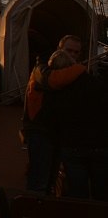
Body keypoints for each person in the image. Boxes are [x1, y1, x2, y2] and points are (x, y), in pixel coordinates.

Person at [45, 48, 108, 200]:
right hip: (99, 145)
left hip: (72, 145)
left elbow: (54, 119)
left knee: (77, 196)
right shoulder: (96, 84)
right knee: (102, 194)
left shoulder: (58, 90)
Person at [21, 47, 85, 193]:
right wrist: (80, 69)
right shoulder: (42, 75)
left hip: (52, 132)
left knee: (48, 176)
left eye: (76, 51)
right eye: (70, 51)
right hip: (41, 131)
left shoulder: (56, 77)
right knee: (40, 179)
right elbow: (55, 81)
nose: (73, 55)